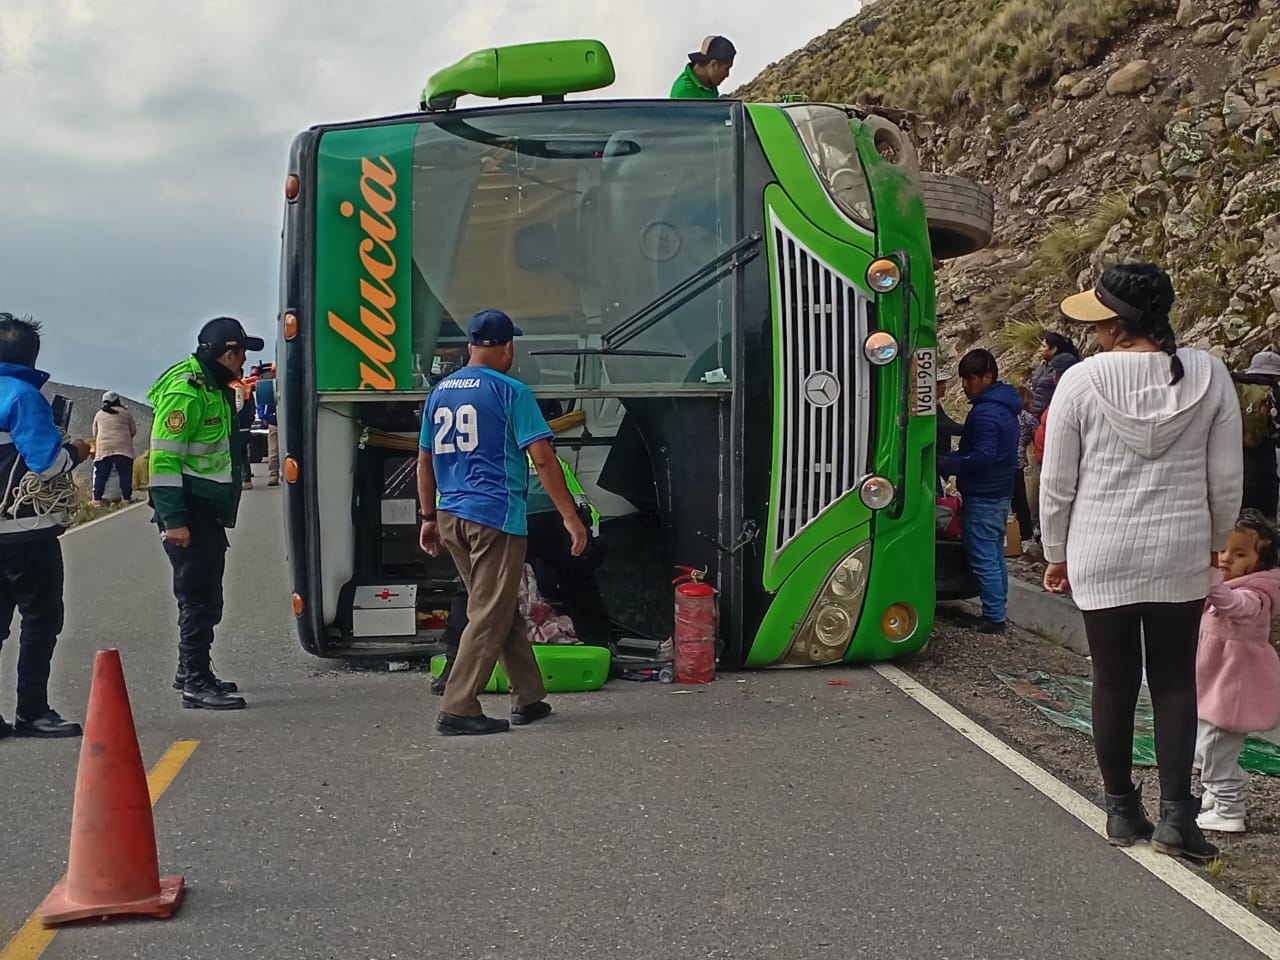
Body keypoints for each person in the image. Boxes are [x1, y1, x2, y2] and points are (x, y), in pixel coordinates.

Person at [1040, 263, 1242, 861]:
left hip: (1101, 548)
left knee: (1113, 679)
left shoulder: (1081, 381)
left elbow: (1058, 482)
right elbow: (1225, 479)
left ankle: (1123, 811)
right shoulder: (1207, 373)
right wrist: (1218, 542)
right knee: (1176, 681)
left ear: (1114, 323)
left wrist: (1056, 552)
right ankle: (1179, 816)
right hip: (1178, 548)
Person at [417, 308, 588, 736]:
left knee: (498, 605)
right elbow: (544, 459)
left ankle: (528, 697)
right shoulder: (512, 392)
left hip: (450, 513)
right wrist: (571, 517)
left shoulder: (440, 392)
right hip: (494, 516)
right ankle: (458, 706)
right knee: (488, 612)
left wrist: (426, 516)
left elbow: (424, 459)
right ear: (508, 346)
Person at [149, 317, 264, 711]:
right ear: (228, 353)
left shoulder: (214, 387)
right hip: (189, 508)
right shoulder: (188, 391)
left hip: (204, 508)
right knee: (199, 596)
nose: (245, 361)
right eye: (242, 353)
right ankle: (195, 682)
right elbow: (164, 460)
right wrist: (173, 519)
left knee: (204, 594)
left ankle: (192, 669)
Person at [0, 313, 89, 738]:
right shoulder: (21, 396)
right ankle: (31, 712)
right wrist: (75, 449)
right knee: (40, 620)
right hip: (25, 532)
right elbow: (48, 464)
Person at [1194, 510, 1280, 835]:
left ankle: (1230, 811)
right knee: (1204, 748)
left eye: (1240, 554)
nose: (1227, 559)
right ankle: (1219, 789)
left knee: (1214, 751)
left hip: (1232, 694)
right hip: (1213, 686)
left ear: (1261, 561)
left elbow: (1235, 606)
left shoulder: (1257, 595)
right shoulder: (1228, 587)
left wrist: (1212, 579)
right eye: (1224, 550)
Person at [941, 349, 1021, 634]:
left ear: (987, 377)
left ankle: (993, 617)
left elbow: (982, 456)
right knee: (995, 555)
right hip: (999, 493)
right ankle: (997, 611)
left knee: (984, 555)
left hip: (984, 494)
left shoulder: (986, 413)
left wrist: (948, 463)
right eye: (963, 378)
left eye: (971, 379)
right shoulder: (1004, 407)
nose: (965, 385)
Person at [1233, 349, 1280, 518]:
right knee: (1265, 523)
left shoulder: (1237, 389)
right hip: (1264, 469)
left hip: (1234, 469)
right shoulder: (1274, 393)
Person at [91, 391, 138, 505]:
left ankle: (97, 500)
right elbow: (133, 430)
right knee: (125, 474)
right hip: (123, 448)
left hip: (104, 448)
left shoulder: (99, 414)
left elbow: (94, 433)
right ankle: (126, 498)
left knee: (101, 474)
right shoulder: (125, 413)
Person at [1028, 332, 1079, 417]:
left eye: (1044, 346)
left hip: (1051, 414)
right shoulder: (1044, 365)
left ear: (1053, 349)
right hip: (1036, 413)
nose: (1040, 349)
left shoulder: (1062, 367)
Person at [1012, 385, 1038, 550]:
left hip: (1003, 461)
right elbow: (1038, 435)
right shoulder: (1029, 418)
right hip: (1018, 461)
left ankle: (1009, 533)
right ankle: (1026, 535)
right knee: (1021, 501)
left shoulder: (1008, 415)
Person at [671, 36, 736, 99]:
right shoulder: (685, 91)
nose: (727, 74)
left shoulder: (709, 83)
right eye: (726, 68)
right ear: (713, 64)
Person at [935, 369, 965, 494]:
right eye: (940, 383)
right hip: (934, 460)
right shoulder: (931, 408)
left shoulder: (935, 405)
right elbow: (947, 426)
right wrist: (971, 429)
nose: (944, 386)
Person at [255, 365, 280, 487]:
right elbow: (261, 403)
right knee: (273, 452)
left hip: (284, 422)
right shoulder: (268, 385)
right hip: (274, 422)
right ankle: (273, 476)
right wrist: (264, 417)